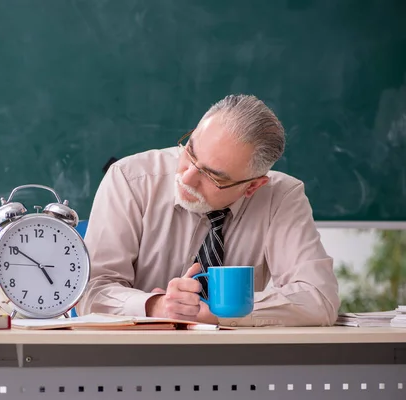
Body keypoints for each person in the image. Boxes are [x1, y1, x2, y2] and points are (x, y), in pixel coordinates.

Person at [75, 94, 340, 327]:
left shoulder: (281, 197)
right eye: (190, 151)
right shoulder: (130, 179)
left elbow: (319, 298)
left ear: (252, 186)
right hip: (130, 363)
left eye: (213, 176)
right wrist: (158, 306)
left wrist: (220, 313)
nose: (187, 178)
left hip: (234, 370)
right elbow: (90, 292)